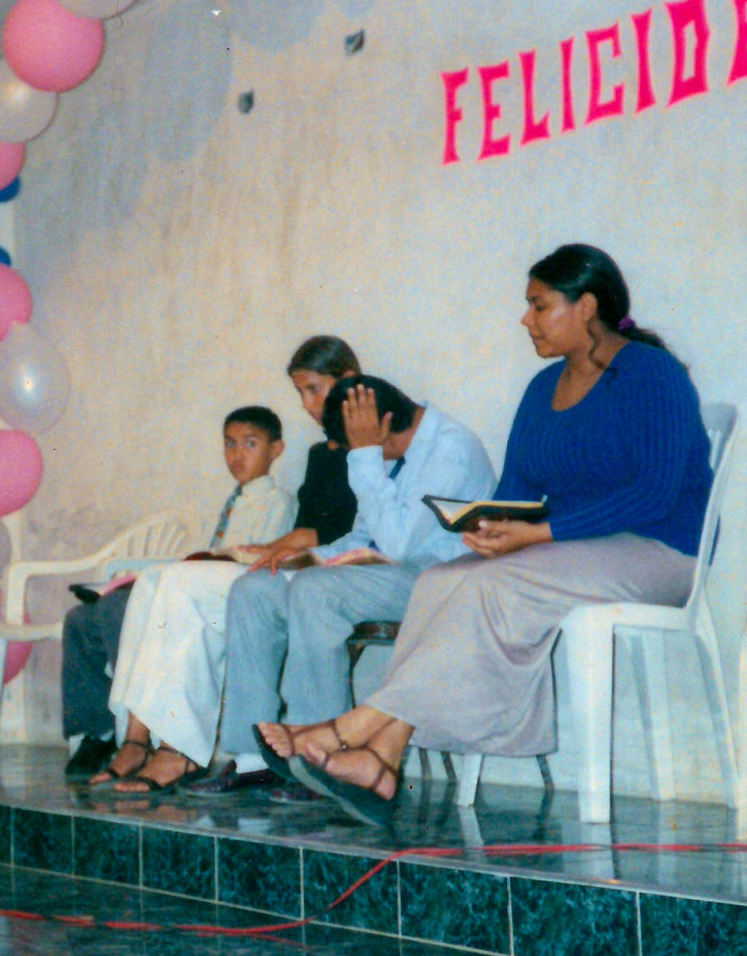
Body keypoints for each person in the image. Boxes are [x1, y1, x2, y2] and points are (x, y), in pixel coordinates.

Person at [260, 243, 713, 826]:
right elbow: (518, 489)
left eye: (539, 305)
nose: (525, 320)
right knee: (443, 580)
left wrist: (540, 533)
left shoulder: (652, 375)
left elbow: (653, 494)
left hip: (660, 550)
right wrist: (493, 526)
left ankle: (348, 730)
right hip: (572, 549)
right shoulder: (541, 389)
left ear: (586, 307)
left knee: (491, 587)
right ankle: (380, 757)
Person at [80, 336, 364, 795]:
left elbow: (342, 534)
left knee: (181, 584)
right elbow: (309, 529)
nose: (309, 404)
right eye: (301, 393)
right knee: (155, 581)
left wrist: (274, 550)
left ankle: (179, 751)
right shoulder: (320, 454)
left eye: (315, 389)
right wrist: (258, 550)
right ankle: (135, 737)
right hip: (295, 564)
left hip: (325, 574)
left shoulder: (369, 450)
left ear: (349, 381)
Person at [202, 375, 497, 797]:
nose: (376, 458)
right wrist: (307, 558)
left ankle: (317, 755)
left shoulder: (450, 448)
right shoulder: (392, 447)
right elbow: (363, 537)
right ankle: (253, 757)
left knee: (316, 590)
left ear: (388, 422)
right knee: (256, 588)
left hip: (436, 578)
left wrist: (364, 456)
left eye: (378, 448)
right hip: (381, 574)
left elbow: (398, 543)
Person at [60, 405, 296, 780]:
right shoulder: (234, 501)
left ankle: (161, 740)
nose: (237, 455)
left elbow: (258, 554)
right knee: (116, 602)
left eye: (250, 444)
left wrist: (214, 558)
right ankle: (120, 736)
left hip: (237, 590)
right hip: (206, 583)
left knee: (143, 600)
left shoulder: (277, 501)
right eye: (230, 444)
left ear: (276, 449)